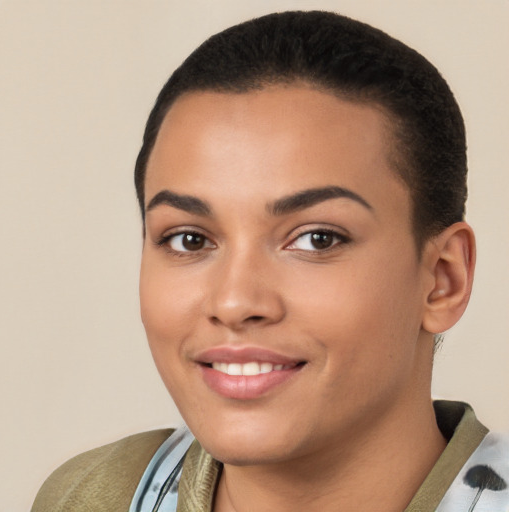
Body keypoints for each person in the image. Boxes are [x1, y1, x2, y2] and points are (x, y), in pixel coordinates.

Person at [31, 10, 509, 512]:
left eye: (318, 239)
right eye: (190, 240)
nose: (235, 302)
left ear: (442, 279)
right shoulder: (90, 496)